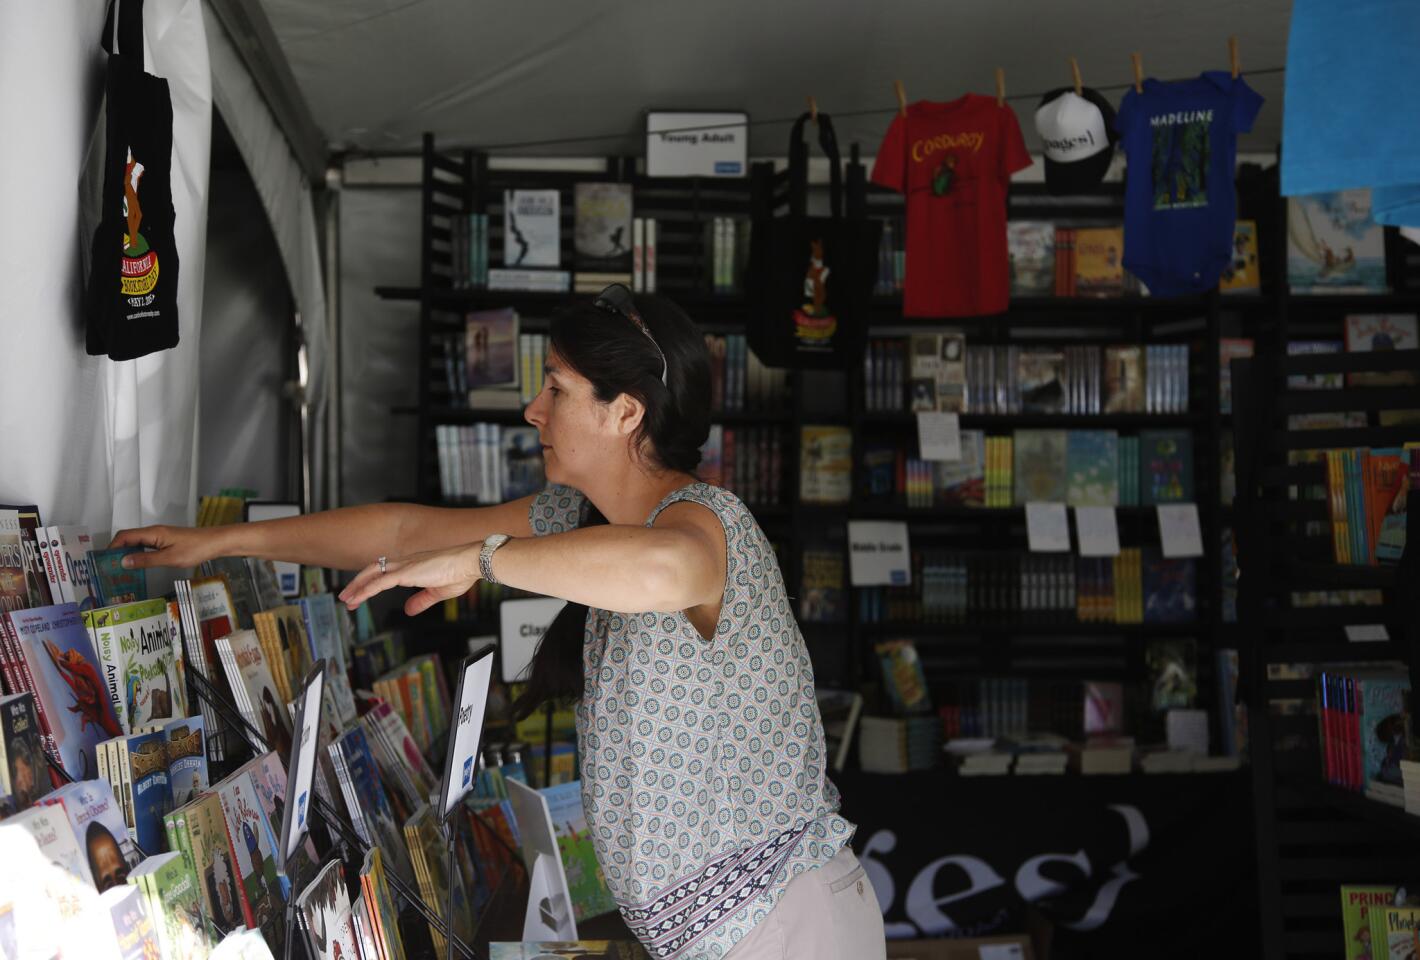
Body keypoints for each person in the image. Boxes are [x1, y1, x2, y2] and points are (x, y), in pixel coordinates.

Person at [112, 285, 886, 960]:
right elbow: (408, 534)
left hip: (780, 927)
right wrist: (224, 541)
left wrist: (486, 559)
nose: (532, 409)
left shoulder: (707, 524)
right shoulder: (579, 517)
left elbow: (662, 570)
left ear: (625, 411)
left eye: (555, 387)